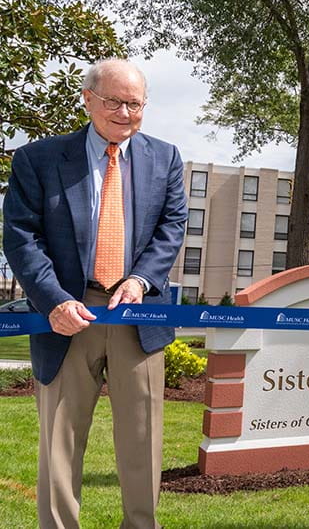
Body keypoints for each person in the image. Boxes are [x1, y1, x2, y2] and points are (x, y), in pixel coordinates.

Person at [3, 59, 187, 529]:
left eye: (136, 104)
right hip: (66, 315)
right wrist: (53, 300)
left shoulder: (165, 157)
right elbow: (21, 236)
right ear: (87, 99)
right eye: (114, 102)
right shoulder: (37, 159)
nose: (125, 113)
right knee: (60, 441)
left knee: (143, 439)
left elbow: (171, 227)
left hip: (137, 315)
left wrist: (141, 279)